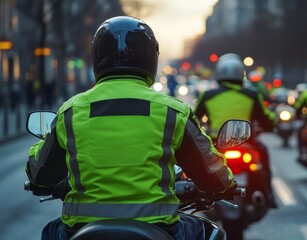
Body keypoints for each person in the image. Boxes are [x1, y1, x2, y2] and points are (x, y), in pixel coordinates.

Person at [25, 16, 237, 240]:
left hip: (81, 230)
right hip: (160, 229)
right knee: (212, 233)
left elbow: (40, 173)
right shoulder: (172, 112)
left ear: (97, 57)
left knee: (50, 232)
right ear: (150, 58)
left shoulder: (71, 112)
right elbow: (212, 173)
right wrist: (226, 185)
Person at [194, 53, 278, 208]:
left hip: (216, 146)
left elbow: (193, 121)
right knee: (263, 155)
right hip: (247, 144)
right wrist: (273, 124)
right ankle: (268, 194)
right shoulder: (252, 95)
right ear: (241, 74)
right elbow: (266, 118)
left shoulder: (208, 95)